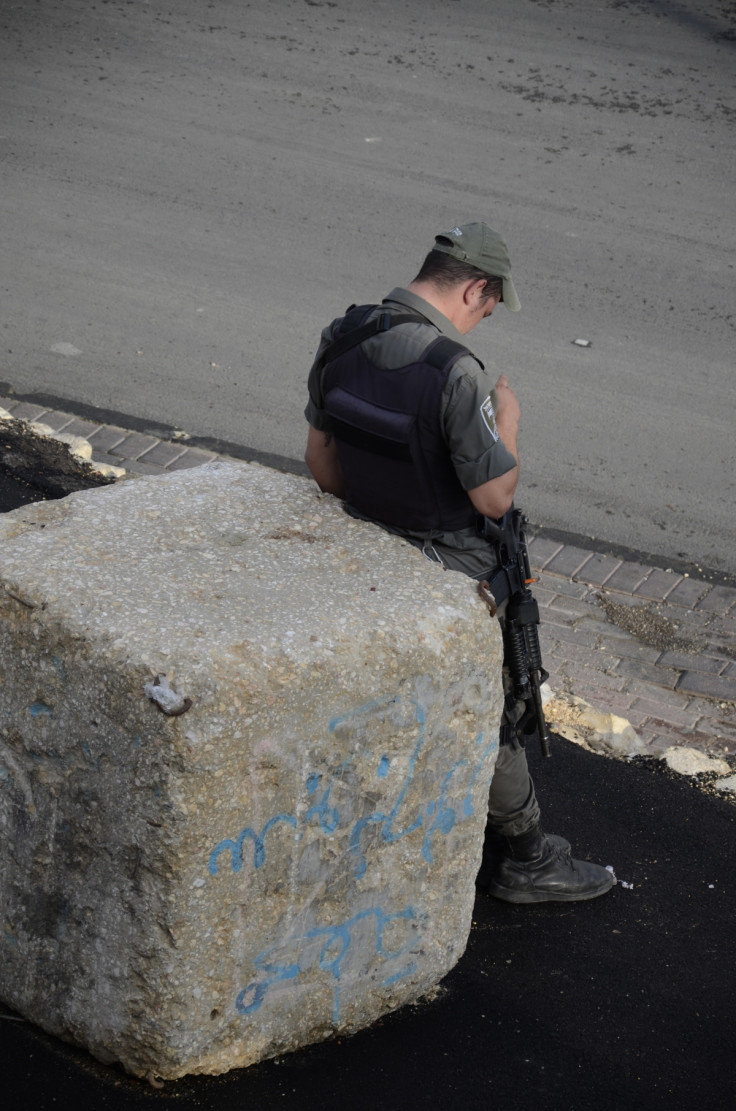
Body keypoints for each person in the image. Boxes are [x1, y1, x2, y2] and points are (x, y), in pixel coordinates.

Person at [304, 221, 612, 904]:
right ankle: (527, 854)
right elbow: (494, 495)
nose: (487, 317)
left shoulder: (343, 336)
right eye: (491, 303)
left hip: (364, 548)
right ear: (476, 287)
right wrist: (507, 419)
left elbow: (322, 466)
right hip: (451, 565)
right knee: (495, 710)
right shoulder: (456, 371)